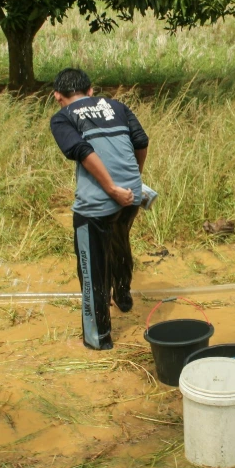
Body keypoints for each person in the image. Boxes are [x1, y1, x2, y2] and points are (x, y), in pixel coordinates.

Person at [50, 68, 149, 350]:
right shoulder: (116, 106)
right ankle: (124, 296)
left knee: (91, 265)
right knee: (119, 238)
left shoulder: (62, 118)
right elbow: (141, 141)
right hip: (132, 193)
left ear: (58, 96)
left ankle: (99, 339)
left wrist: (111, 189)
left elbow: (82, 151)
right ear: (91, 91)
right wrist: (132, 183)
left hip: (102, 201)